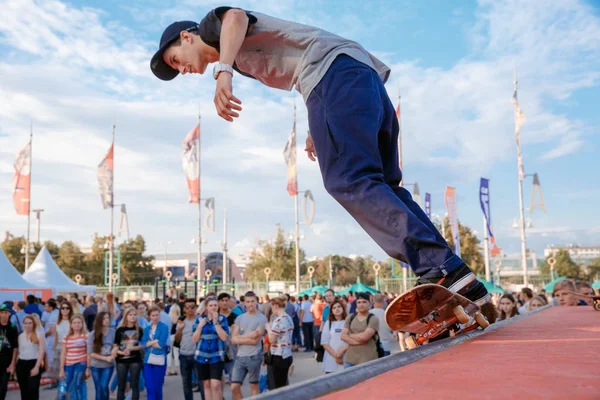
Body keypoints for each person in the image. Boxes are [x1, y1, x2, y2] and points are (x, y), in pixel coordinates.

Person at [149, 6, 490, 308]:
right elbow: (301, 68)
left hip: (334, 75)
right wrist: (319, 123)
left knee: (349, 180)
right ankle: (454, 274)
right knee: (384, 185)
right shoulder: (238, 56)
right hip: (358, 77)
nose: (182, 69)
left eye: (175, 59)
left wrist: (223, 71)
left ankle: (440, 270)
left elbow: (235, 15)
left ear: (186, 36)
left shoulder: (216, 31)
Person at [230, 291, 267, 400]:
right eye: (247, 302)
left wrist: (239, 338)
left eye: (252, 301)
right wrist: (250, 335)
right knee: (234, 386)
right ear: (244, 303)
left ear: (256, 302)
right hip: (240, 357)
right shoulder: (239, 318)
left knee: (253, 385)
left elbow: (255, 341)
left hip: (254, 356)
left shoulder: (261, 318)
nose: (250, 304)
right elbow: (233, 339)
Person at [192, 296, 229, 400]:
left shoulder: (222, 319)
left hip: (216, 356)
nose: (213, 307)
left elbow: (224, 337)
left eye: (215, 305)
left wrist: (216, 323)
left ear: (218, 306)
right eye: (211, 305)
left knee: (216, 385)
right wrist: (199, 327)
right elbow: (194, 339)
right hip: (201, 356)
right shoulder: (199, 320)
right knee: (206, 385)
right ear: (207, 307)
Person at [174, 298, 204, 400]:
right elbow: (177, 340)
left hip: (198, 355)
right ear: (184, 309)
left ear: (196, 308)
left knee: (201, 383)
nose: (190, 309)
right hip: (184, 355)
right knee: (186, 384)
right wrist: (180, 329)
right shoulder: (181, 321)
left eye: (192, 307)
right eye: (187, 307)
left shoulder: (200, 321)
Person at [340, 293, 379, 368]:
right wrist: (360, 341)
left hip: (368, 360)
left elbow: (365, 337)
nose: (361, 305)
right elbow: (343, 336)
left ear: (369, 303)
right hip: (350, 360)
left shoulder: (373, 318)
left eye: (364, 302)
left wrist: (350, 335)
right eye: (359, 302)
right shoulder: (350, 317)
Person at [113, 308, 144, 400]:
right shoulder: (119, 330)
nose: (133, 317)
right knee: (121, 385)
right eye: (130, 315)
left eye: (134, 314)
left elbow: (142, 345)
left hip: (135, 359)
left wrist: (132, 348)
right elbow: (115, 346)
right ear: (126, 316)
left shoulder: (140, 330)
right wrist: (122, 352)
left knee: (135, 384)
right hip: (121, 360)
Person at [265, 295, 294, 388]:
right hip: (287, 354)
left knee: (278, 385)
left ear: (276, 305)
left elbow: (272, 340)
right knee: (283, 383)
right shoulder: (288, 317)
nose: (271, 309)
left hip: (279, 355)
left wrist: (268, 328)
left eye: (271, 306)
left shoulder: (279, 320)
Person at [59, 314, 90, 400]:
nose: (77, 324)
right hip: (68, 364)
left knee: (75, 384)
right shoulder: (66, 337)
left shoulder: (86, 336)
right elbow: (63, 353)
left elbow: (89, 353)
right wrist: (61, 369)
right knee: (71, 384)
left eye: (79, 322)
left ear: (82, 324)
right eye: (74, 323)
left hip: (81, 363)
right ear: (71, 325)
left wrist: (88, 368)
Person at [142, 306, 169, 400]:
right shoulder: (146, 329)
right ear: (149, 316)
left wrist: (150, 343)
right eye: (153, 315)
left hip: (160, 358)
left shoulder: (164, 327)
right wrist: (154, 342)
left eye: (157, 315)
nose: (155, 317)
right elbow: (144, 344)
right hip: (148, 360)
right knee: (149, 386)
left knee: (157, 387)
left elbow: (161, 344)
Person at [16, 315, 45, 400]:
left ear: (34, 324)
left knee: (33, 389)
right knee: (23, 390)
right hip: (21, 364)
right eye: (26, 323)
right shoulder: (20, 336)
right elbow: (19, 352)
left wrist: (37, 367)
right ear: (23, 324)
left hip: (34, 362)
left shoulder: (39, 335)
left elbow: (41, 351)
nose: (28, 325)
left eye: (30, 323)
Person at [89, 311, 115, 400]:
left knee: (104, 386)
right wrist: (105, 358)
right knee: (98, 388)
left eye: (108, 318)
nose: (106, 320)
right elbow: (91, 353)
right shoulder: (92, 334)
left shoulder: (113, 332)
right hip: (95, 365)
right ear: (99, 320)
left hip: (108, 365)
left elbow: (116, 346)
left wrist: (112, 355)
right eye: (104, 318)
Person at [320, 301, 347, 374]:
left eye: (339, 307)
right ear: (331, 311)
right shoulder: (328, 323)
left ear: (343, 308)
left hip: (345, 357)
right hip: (331, 358)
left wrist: (342, 351)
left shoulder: (348, 322)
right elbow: (324, 342)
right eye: (334, 308)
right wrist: (336, 356)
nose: (337, 309)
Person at [0, 303, 18, 400]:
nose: (3, 315)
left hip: (6, 361)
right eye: (1, 312)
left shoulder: (13, 327)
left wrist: (12, 363)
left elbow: (15, 347)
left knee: (3, 386)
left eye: (5, 312)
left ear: (9, 314)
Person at [167, 302, 180, 376]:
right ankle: (176, 369)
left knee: (169, 353)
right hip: (176, 336)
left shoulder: (168, 317)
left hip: (170, 336)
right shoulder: (179, 317)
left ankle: (169, 369)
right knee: (176, 353)